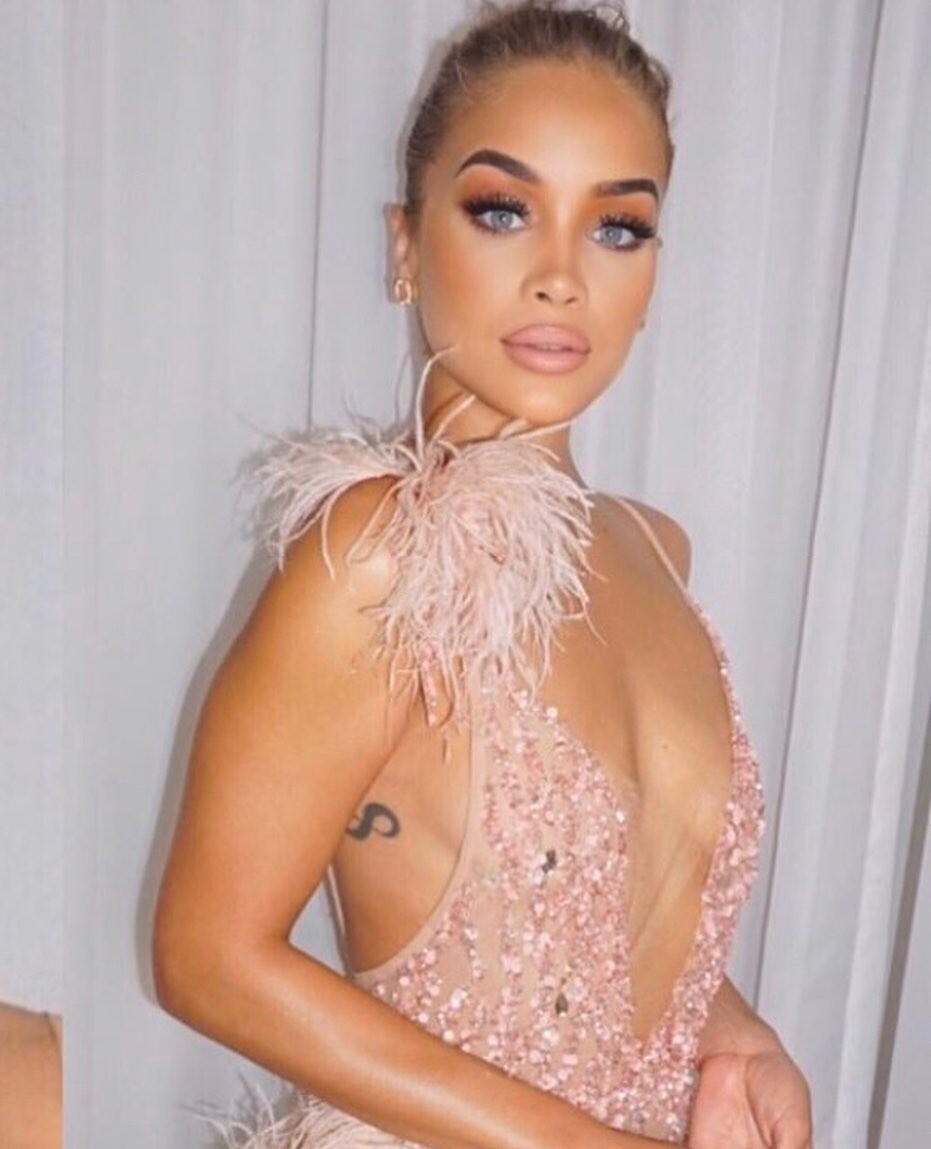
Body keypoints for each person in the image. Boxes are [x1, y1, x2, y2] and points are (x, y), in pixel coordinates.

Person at [152, 2, 812, 1146]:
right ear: (405, 247)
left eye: (617, 227)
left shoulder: (654, 550)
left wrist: (736, 1034)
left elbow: (592, 929)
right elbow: (206, 957)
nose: (560, 277)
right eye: (502, 210)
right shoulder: (379, 557)